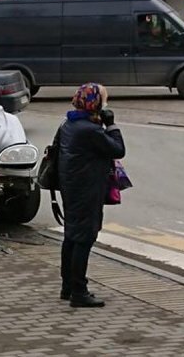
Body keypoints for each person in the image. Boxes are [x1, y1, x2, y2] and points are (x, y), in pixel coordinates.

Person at [58, 83, 125, 308]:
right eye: (104, 100)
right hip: (86, 189)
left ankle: (68, 286)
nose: (106, 104)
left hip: (72, 187)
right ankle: (79, 291)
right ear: (95, 103)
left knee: (71, 237)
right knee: (84, 238)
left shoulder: (70, 123)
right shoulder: (90, 130)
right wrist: (112, 124)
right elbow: (117, 149)